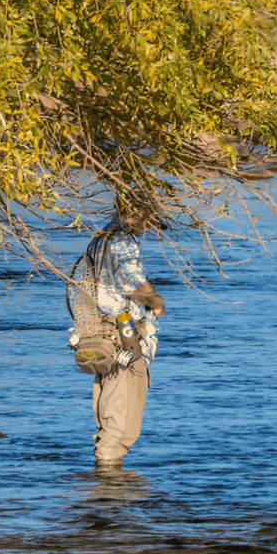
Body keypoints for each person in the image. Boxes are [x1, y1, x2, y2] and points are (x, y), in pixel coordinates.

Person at [84, 198, 165, 468]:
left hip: (103, 335)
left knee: (109, 415)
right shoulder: (123, 240)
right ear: (136, 213)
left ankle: (105, 493)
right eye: (148, 219)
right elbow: (134, 284)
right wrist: (157, 302)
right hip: (124, 337)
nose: (149, 227)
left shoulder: (101, 238)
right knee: (121, 427)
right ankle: (110, 496)